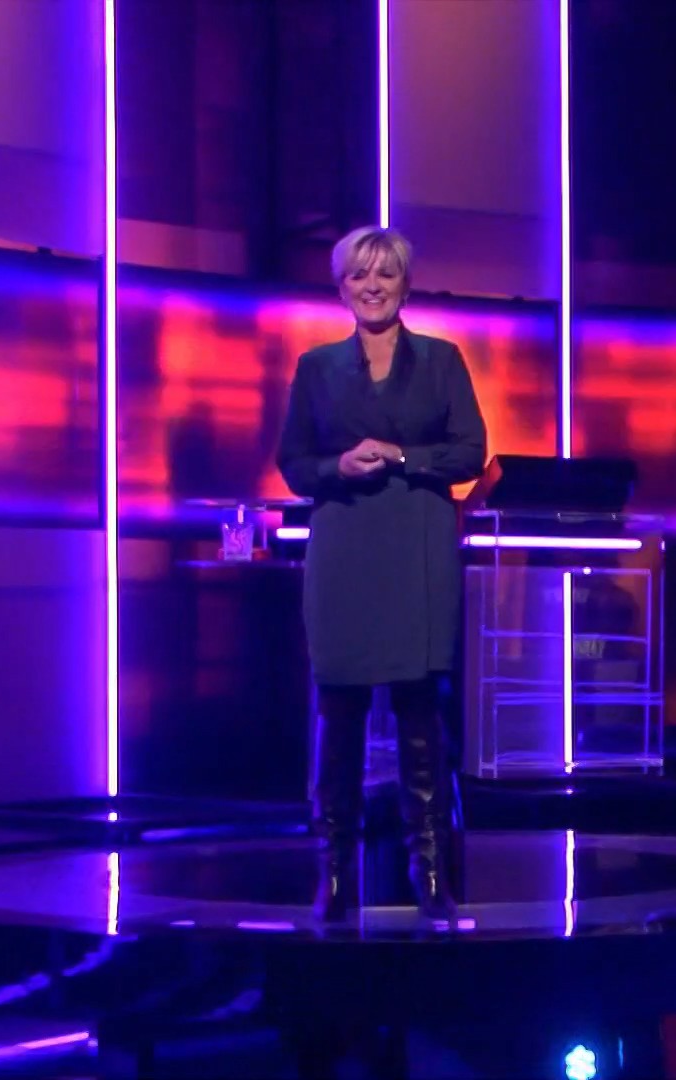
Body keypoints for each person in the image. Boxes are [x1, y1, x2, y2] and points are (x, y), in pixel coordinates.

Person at [276, 226, 488, 923]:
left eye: (385, 274)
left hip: (417, 545)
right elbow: (293, 463)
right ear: (341, 288)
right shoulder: (315, 367)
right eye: (359, 276)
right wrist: (338, 466)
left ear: (405, 284)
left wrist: (401, 457)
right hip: (345, 543)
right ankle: (334, 876)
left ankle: (430, 874)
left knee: (420, 711)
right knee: (338, 711)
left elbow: (470, 453)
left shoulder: (441, 360)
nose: (372, 287)